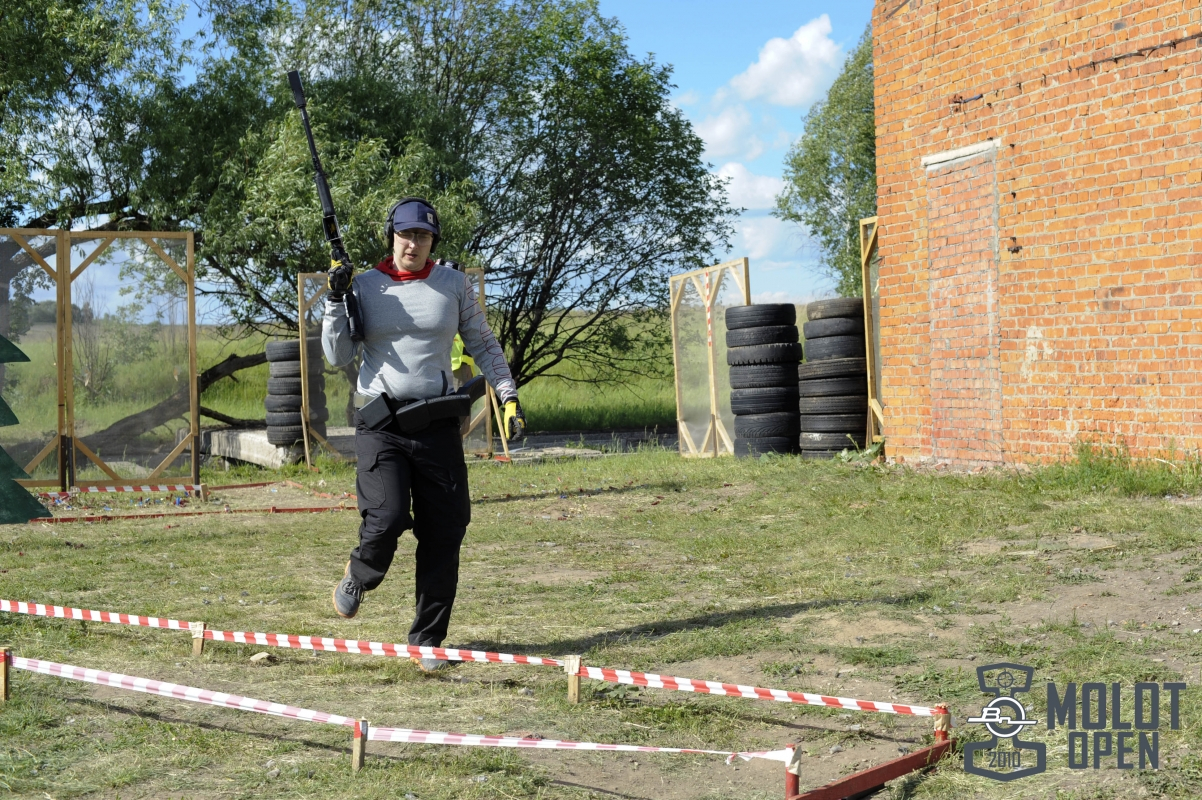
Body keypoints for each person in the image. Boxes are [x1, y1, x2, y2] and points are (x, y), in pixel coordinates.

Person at [322, 196, 525, 671]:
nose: (412, 244)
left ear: (433, 241)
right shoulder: (363, 286)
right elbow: (336, 355)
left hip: (436, 424)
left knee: (445, 530)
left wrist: (508, 395)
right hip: (382, 426)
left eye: (422, 235)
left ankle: (427, 642)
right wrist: (334, 299)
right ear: (391, 236)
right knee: (388, 516)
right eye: (405, 234)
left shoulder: (453, 285)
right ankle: (361, 572)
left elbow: (483, 343)